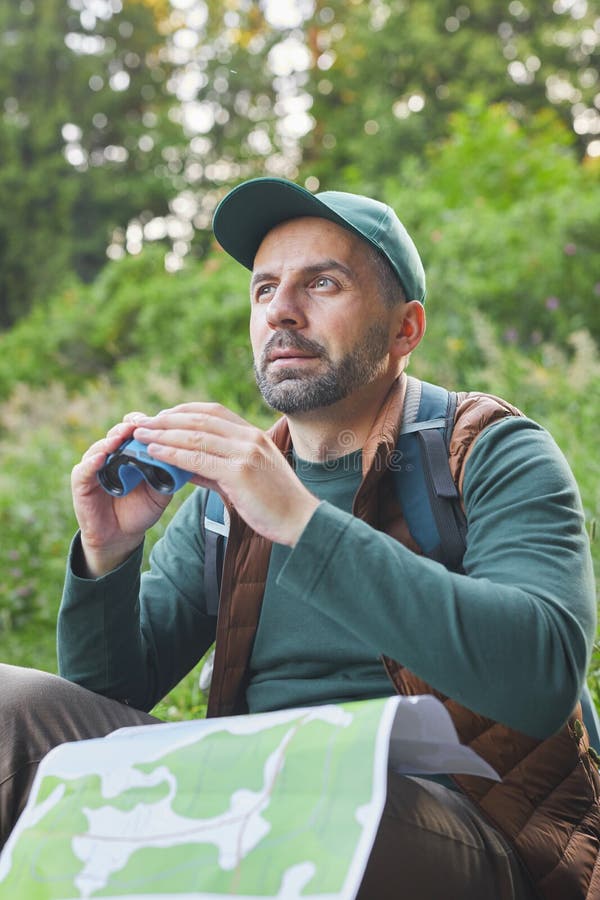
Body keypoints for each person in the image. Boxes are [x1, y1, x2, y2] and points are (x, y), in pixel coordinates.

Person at [1, 177, 598, 899]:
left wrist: (302, 523)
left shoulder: (487, 453)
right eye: (263, 290)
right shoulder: (225, 496)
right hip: (252, 790)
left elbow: (540, 677)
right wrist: (109, 554)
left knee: (318, 803)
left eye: (322, 283)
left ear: (405, 329)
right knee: (12, 711)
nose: (282, 311)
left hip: (455, 822)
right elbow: (108, 701)